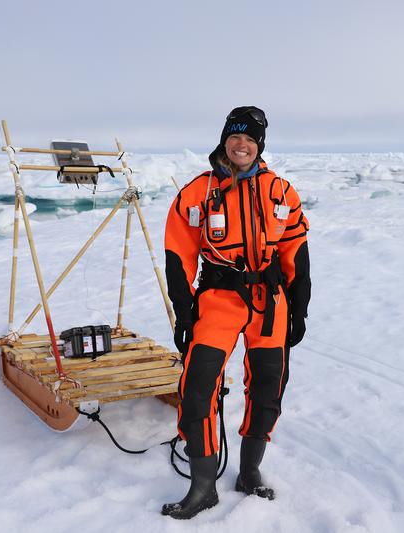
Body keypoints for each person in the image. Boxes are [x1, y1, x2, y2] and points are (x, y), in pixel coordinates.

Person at [161, 106, 311, 519]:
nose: (240, 144)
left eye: (249, 138)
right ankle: (203, 485)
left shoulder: (281, 191)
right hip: (217, 299)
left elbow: (296, 251)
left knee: (269, 387)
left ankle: (250, 471)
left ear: (259, 145)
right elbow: (179, 253)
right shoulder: (198, 192)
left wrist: (299, 308)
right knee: (197, 389)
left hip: (269, 304)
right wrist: (184, 310)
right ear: (224, 141)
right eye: (234, 137)